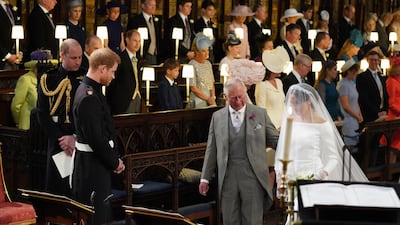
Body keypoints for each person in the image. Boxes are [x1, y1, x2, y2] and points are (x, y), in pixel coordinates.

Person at [275, 83, 367, 222]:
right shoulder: (290, 122)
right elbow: (283, 152)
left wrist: (321, 174)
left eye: (297, 104)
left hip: (314, 177)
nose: (294, 109)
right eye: (292, 105)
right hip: (291, 177)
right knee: (292, 215)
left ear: (308, 101)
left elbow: (333, 157)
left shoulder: (322, 125)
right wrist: (280, 174)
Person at [199, 77, 279, 225]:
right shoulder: (217, 117)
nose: (238, 101)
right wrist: (205, 178)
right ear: (225, 97)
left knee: (252, 220)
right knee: (230, 220)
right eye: (233, 98)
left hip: (253, 176)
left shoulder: (259, 114)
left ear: (245, 93)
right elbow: (212, 149)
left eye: (240, 97)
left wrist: (291, 151)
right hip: (228, 177)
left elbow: (276, 140)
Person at [71, 47, 125, 225]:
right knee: (95, 218)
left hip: (96, 163)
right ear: (102, 68)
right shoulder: (88, 96)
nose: (113, 77)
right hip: (91, 166)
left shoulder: (91, 91)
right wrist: (114, 161)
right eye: (112, 72)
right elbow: (96, 139)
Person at [36, 38, 85, 196]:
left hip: (80, 141)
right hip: (57, 141)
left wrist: (75, 137)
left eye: (80, 57)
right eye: (73, 58)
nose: (78, 62)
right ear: (62, 55)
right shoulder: (48, 78)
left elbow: (89, 115)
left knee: (78, 189)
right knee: (57, 190)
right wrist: (61, 139)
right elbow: (42, 114)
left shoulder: (85, 78)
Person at [11, 50, 57, 130]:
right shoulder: (25, 80)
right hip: (29, 126)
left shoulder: (50, 80)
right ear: (34, 67)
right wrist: (19, 122)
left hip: (46, 127)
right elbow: (16, 106)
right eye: (40, 67)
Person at [107, 29, 142, 114]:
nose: (137, 44)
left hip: (137, 99)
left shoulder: (140, 59)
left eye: (139, 41)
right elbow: (112, 84)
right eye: (135, 41)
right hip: (123, 102)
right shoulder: (120, 59)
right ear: (127, 40)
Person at [255, 46, 288, 130]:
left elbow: (283, 104)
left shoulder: (279, 82)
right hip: (271, 127)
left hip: (283, 125)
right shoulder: (261, 85)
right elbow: (261, 109)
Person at [356, 50, 388, 124]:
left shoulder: (382, 76)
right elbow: (363, 98)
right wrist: (376, 112)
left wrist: (385, 110)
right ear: (368, 61)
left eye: (376, 60)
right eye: (372, 60)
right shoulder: (362, 77)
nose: (374, 62)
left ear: (379, 61)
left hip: (383, 113)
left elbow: (385, 95)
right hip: (370, 115)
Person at [337, 59, 363, 147]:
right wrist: (357, 116)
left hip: (355, 118)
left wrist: (360, 115)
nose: (356, 73)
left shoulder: (351, 83)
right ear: (349, 71)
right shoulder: (343, 85)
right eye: (354, 71)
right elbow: (345, 105)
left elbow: (356, 101)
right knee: (349, 146)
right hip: (348, 119)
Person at [127, 0, 160, 65]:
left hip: (154, 55)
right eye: (151, 5)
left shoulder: (156, 20)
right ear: (143, 6)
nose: (153, 7)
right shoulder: (135, 20)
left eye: (155, 5)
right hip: (142, 55)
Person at [380, 57, 400, 163]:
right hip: (394, 116)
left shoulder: (398, 80)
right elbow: (391, 103)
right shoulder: (391, 81)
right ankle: (388, 174)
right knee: (393, 147)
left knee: (396, 148)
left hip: (399, 116)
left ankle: (393, 174)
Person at [189, 33, 216, 108]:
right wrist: (207, 99)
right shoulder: (192, 64)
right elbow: (193, 88)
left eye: (207, 50)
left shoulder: (208, 64)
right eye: (204, 51)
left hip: (210, 99)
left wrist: (212, 97)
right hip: (198, 99)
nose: (207, 53)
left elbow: (212, 84)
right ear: (197, 52)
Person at [0, 0, 22, 70]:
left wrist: (19, 52)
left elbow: (18, 29)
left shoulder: (12, 8)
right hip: (2, 58)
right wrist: (7, 56)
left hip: (15, 57)